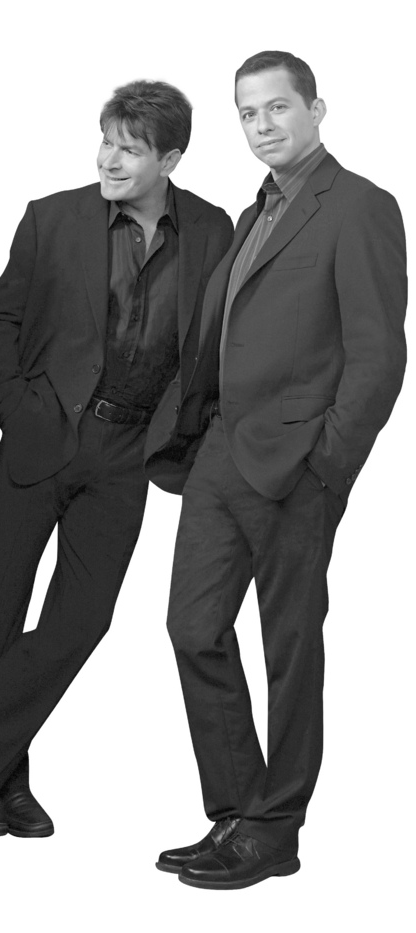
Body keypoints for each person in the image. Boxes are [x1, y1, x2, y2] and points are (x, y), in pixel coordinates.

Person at [0, 79, 233, 837]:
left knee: (82, 620)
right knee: (1, 608)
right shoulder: (52, 217)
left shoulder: (212, 229)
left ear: (170, 159)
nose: (109, 159)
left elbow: (212, 343)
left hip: (130, 450)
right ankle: (2, 778)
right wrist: (19, 412)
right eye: (106, 141)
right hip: (44, 436)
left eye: (130, 149)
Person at [149, 51, 407, 889]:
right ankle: (237, 813)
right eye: (248, 113)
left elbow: (379, 353)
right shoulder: (252, 210)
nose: (262, 125)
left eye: (277, 108)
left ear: (316, 109)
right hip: (221, 454)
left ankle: (276, 828)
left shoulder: (360, 206)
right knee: (192, 627)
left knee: (288, 648)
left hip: (296, 467)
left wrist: (328, 465)